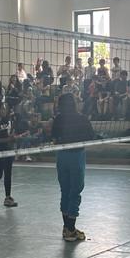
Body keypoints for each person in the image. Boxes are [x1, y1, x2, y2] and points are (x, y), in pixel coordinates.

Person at [52, 92, 95, 241]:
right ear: (74, 103)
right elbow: (91, 136)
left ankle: (67, 228)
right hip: (76, 156)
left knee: (65, 191)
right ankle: (71, 230)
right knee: (75, 192)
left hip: (61, 156)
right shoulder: (82, 119)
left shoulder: (58, 119)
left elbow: (54, 138)